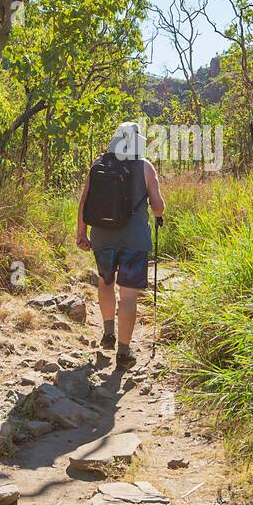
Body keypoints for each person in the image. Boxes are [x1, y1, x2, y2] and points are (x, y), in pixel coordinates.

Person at [76, 122, 164, 369]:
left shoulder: (98, 164)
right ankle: (124, 352)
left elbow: (84, 201)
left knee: (106, 282)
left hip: (102, 237)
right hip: (135, 240)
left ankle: (107, 333)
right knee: (128, 296)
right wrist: (157, 209)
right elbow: (157, 207)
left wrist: (81, 232)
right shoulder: (146, 167)